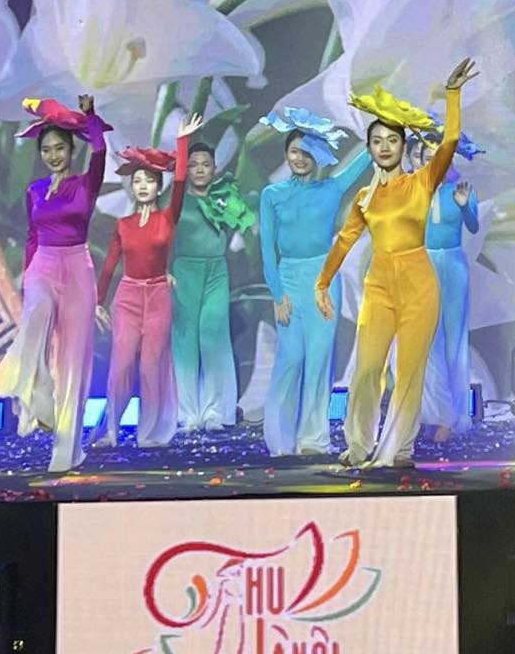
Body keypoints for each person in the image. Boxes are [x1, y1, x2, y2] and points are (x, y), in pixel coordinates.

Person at [316, 60, 477, 469]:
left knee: (410, 371)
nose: (385, 146)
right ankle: (358, 445)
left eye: (392, 140)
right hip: (379, 284)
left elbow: (450, 140)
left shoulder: (421, 182)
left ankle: (400, 449)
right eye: (377, 141)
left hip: (419, 282)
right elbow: (346, 239)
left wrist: (452, 94)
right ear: (369, 149)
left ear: (403, 146)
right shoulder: (365, 198)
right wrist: (322, 283)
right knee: (368, 368)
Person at [0, 96, 111, 470]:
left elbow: (100, 151)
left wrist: (90, 117)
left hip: (76, 269)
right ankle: (36, 400)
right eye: (47, 149)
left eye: (60, 148)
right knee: (34, 326)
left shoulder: (85, 184)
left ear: (72, 150)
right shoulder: (35, 190)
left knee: (73, 360)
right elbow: (31, 236)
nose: (53, 155)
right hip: (42, 266)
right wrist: (28, 276)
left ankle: (66, 451)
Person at [256, 109, 373, 456]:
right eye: (294, 151)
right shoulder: (271, 195)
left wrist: (384, 127)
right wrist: (277, 293)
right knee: (290, 358)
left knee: (319, 361)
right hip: (288, 279)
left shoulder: (332, 188)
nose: (300, 158)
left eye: (307, 152)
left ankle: (313, 439)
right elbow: (267, 249)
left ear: (318, 156)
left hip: (324, 280)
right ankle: (279, 438)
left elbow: (365, 159)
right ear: (286, 154)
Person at [95, 115, 206, 449]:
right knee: (121, 365)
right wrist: (98, 301)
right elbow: (110, 265)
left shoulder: (167, 217)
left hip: (158, 295)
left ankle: (150, 432)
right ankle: (111, 430)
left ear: (159, 186)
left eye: (149, 181)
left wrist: (183, 141)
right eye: (138, 181)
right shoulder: (123, 224)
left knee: (150, 366)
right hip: (128, 297)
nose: (142, 186)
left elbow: (181, 180)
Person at [170, 137, 248, 433]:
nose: (200, 169)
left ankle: (216, 410)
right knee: (185, 341)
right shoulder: (177, 199)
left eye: (206, 164)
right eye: (193, 165)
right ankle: (187, 413)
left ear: (215, 168)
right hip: (185, 272)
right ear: (186, 170)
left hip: (216, 271)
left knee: (214, 336)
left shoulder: (224, 198)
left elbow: (243, 220)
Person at [415, 124, 482, 437]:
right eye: (427, 156)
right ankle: (433, 411)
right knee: (427, 341)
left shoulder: (461, 190)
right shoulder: (413, 190)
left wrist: (464, 206)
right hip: (422, 264)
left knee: (454, 341)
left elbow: (473, 227)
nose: (433, 162)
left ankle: (453, 417)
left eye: (439, 156)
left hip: (453, 266)